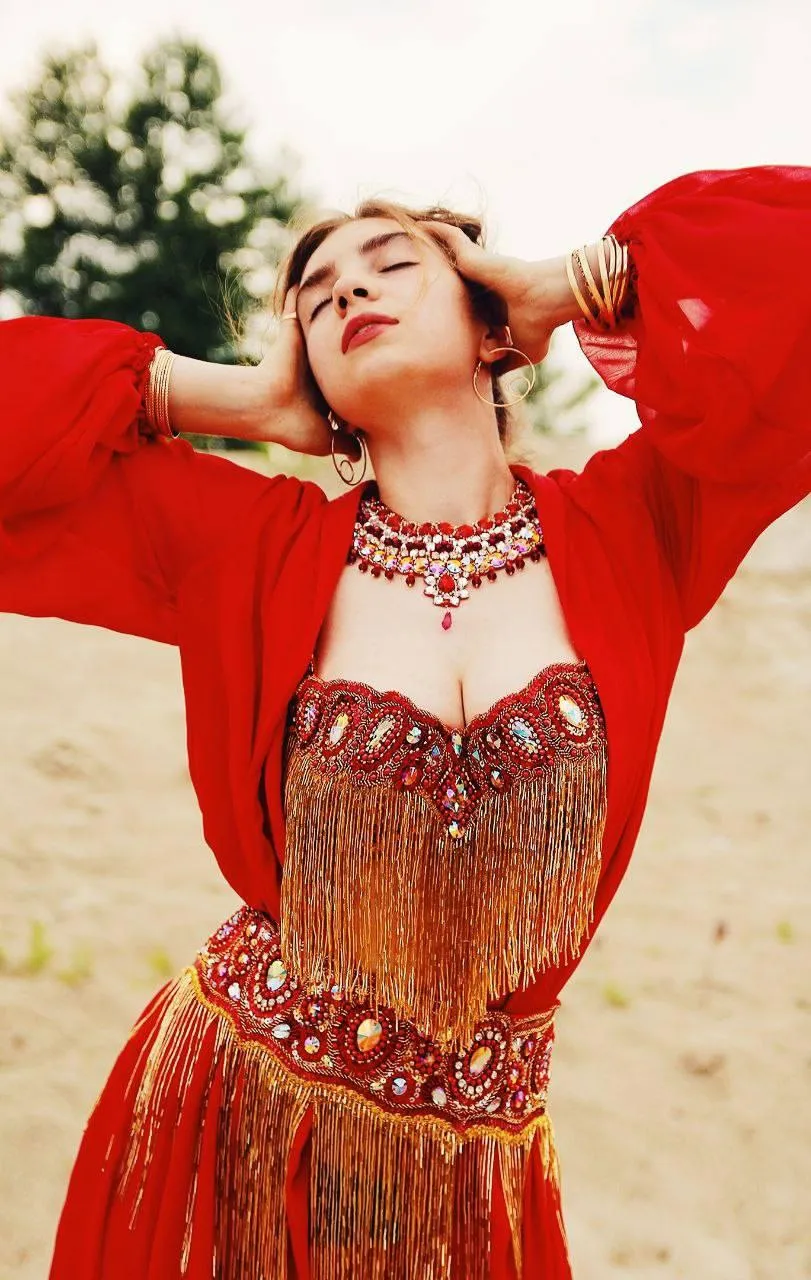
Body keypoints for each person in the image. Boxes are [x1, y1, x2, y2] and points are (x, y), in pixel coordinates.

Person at [3, 164, 808, 1279]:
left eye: (392, 265)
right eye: (315, 298)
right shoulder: (246, 543)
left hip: (473, 1184)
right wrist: (230, 400)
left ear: (489, 327)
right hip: (230, 1127)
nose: (348, 292)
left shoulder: (641, 523)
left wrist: (568, 284)